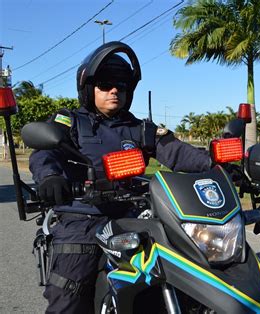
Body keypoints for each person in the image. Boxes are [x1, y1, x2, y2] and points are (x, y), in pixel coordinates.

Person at [29, 41, 211, 313]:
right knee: (70, 292)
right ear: (89, 88)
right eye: (105, 84)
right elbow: (44, 154)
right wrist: (50, 178)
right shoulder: (69, 122)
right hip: (83, 217)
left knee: (175, 277)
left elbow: (176, 152)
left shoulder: (138, 128)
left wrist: (216, 165)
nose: (114, 90)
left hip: (133, 215)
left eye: (122, 86)